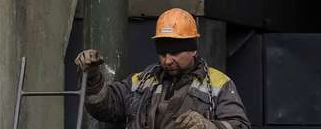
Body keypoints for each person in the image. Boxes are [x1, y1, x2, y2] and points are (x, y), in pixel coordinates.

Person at [74, 8, 250, 129]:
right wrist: (93, 77)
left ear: (193, 49)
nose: (167, 60)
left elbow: (239, 125)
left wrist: (209, 126)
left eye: (174, 52)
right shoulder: (143, 81)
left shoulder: (220, 85)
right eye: (162, 52)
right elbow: (106, 107)